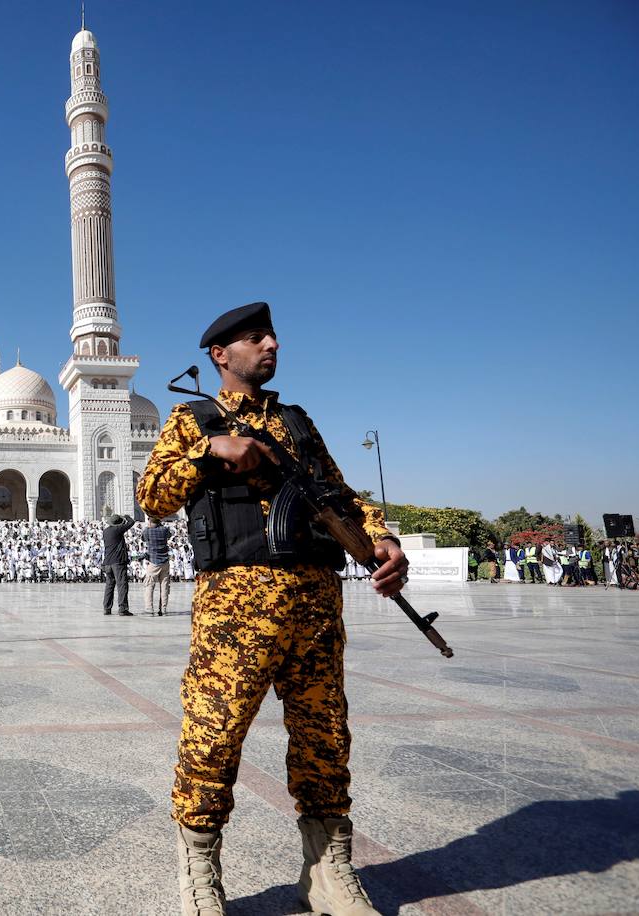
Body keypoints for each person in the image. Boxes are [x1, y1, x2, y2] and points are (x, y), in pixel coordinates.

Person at [136, 301, 407, 916]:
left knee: (324, 736)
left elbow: (340, 495)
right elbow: (151, 494)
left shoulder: (297, 422)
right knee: (216, 732)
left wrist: (382, 541)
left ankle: (328, 868)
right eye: (256, 337)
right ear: (220, 355)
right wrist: (213, 453)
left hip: (314, 601)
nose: (272, 344)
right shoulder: (192, 417)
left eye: (273, 336)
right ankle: (200, 868)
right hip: (237, 607)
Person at [100, 513, 136, 616]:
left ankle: (107, 608)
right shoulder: (117, 530)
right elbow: (131, 522)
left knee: (109, 586)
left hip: (107, 562)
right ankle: (122, 608)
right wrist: (126, 517)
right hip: (117, 562)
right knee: (122, 584)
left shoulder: (106, 531)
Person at [143, 515, 173, 615]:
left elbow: (143, 538)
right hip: (165, 561)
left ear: (150, 522)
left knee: (149, 585)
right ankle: (163, 608)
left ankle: (149, 608)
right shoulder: (164, 529)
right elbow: (169, 535)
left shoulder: (147, 531)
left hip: (153, 561)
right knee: (164, 586)